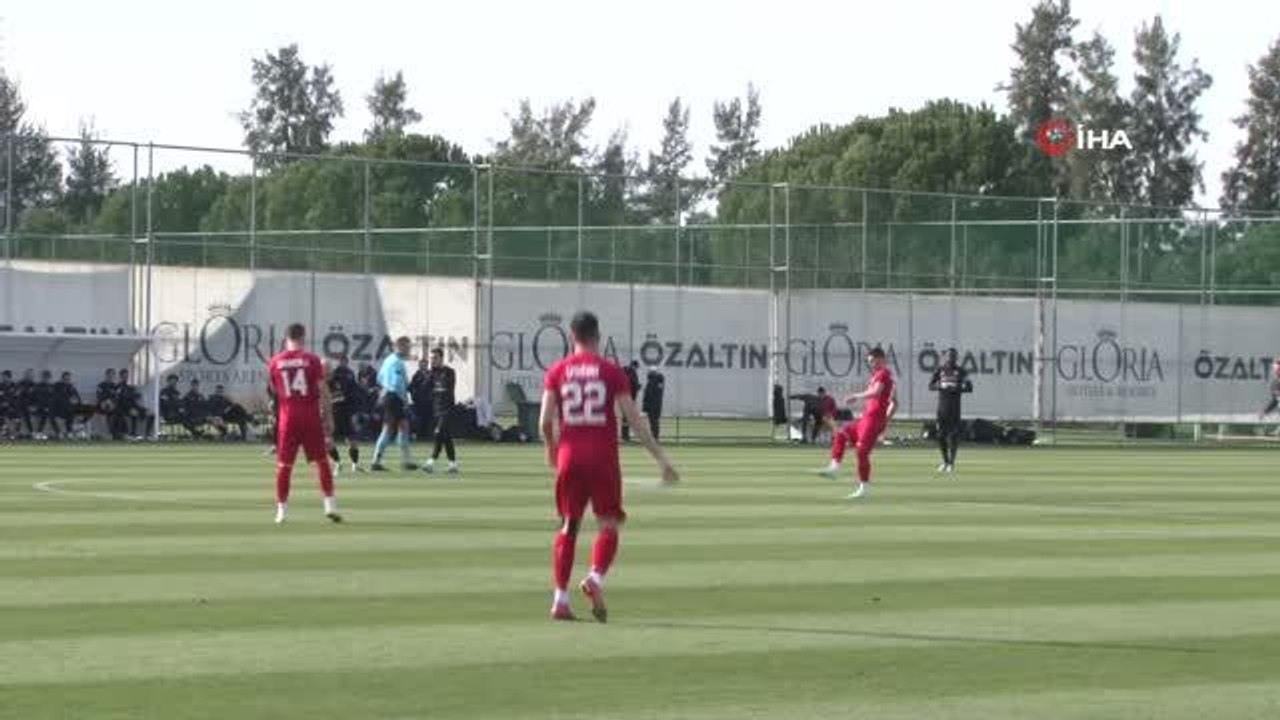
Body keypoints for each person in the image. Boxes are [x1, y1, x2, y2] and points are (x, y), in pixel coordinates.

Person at [540, 311, 679, 623]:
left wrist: (552, 450)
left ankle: (560, 600)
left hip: (570, 458)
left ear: (572, 336)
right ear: (597, 336)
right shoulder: (611, 371)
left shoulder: (557, 371)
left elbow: (544, 421)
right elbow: (635, 420)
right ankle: (595, 578)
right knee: (608, 524)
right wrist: (662, 460)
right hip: (603, 459)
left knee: (568, 526)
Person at [268, 322, 341, 524]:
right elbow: (323, 391)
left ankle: (281, 511)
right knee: (322, 462)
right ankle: (329, 504)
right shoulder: (312, 360)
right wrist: (329, 418)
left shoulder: (275, 361)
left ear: (286, 338)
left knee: (284, 466)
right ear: (303, 337)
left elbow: (275, 392)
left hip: (287, 419)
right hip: (310, 417)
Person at [817, 347, 897, 499]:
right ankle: (835, 467)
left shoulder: (884, 374)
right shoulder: (880, 376)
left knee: (861, 452)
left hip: (873, 420)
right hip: (867, 418)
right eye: (869, 362)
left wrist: (856, 396)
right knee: (841, 434)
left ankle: (864, 488)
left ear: (881, 359)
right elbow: (891, 400)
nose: (871, 364)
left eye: (873, 361)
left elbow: (876, 393)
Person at [370, 337, 417, 471]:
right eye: (408, 347)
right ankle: (376, 461)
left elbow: (379, 378)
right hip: (394, 397)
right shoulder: (397, 362)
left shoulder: (388, 360)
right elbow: (397, 384)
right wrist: (404, 399)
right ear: (400, 347)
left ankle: (406, 461)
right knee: (389, 429)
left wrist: (384, 390)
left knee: (403, 426)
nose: (409, 350)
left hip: (389, 396)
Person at [929, 348, 973, 474]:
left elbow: (970, 388)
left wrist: (957, 388)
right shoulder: (940, 370)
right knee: (940, 436)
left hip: (955, 408)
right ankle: (945, 461)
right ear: (945, 357)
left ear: (956, 357)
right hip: (942, 408)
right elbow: (930, 385)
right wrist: (940, 386)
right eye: (949, 356)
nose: (951, 358)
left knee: (953, 435)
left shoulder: (962, 371)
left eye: (953, 356)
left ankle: (952, 463)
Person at [326, 355, 363, 475]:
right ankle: (338, 463)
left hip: (346, 412)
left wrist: (355, 410)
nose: (344, 364)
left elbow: (354, 392)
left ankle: (355, 465)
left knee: (352, 439)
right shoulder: (331, 376)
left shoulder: (350, 374)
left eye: (345, 362)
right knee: (328, 440)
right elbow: (329, 394)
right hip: (334, 412)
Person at [423, 347, 458, 475]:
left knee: (438, 433)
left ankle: (431, 461)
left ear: (441, 358)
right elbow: (425, 388)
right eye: (431, 358)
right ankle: (453, 464)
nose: (433, 360)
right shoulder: (433, 373)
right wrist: (430, 374)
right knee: (446, 437)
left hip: (447, 409)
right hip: (436, 409)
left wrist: (435, 390)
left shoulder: (449, 372)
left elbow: (446, 389)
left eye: (435, 358)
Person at [51, 371, 91, 438]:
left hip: (69, 409)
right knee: (51, 414)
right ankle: (59, 433)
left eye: (69, 379)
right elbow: (56, 397)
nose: (67, 380)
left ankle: (72, 432)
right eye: (66, 379)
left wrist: (77, 402)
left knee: (85, 411)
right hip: (58, 409)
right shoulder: (57, 386)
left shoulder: (71, 387)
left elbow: (77, 398)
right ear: (62, 379)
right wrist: (68, 400)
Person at [116, 369, 154, 439]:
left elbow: (135, 396)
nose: (126, 377)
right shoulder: (119, 386)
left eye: (127, 375)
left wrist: (136, 395)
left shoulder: (131, 386)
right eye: (124, 376)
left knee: (151, 414)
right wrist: (132, 396)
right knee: (134, 413)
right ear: (121, 376)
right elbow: (121, 398)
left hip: (134, 405)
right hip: (124, 407)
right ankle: (133, 434)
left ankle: (147, 434)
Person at [409, 358, 434, 441]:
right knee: (419, 419)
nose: (423, 366)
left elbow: (434, 386)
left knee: (429, 419)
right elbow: (411, 387)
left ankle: (429, 436)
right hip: (419, 402)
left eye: (425, 364)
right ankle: (420, 436)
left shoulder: (431, 374)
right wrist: (415, 396)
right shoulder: (416, 375)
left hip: (429, 401)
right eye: (421, 365)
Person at [641, 367, 665, 441]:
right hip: (657, 406)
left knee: (653, 422)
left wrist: (645, 408)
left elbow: (648, 395)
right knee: (654, 422)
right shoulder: (659, 381)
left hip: (652, 406)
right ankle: (655, 437)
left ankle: (654, 438)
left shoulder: (652, 382)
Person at [96, 369, 122, 439]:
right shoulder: (101, 385)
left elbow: (117, 396)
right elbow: (98, 396)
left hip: (113, 406)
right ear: (106, 375)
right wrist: (104, 401)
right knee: (103, 413)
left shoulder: (116, 386)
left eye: (113, 374)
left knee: (116, 413)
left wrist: (112, 402)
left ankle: (113, 433)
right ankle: (104, 434)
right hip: (102, 405)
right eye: (110, 374)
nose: (111, 376)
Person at [31, 370, 54, 439]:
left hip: (47, 407)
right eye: (44, 377)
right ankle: (35, 433)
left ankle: (42, 433)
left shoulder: (51, 387)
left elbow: (53, 397)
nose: (46, 379)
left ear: (49, 378)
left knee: (46, 420)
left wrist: (49, 406)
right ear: (42, 377)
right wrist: (33, 405)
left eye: (47, 377)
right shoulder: (37, 386)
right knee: (36, 420)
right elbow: (33, 396)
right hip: (38, 406)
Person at [621, 360, 641, 441]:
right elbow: (634, 384)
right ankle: (626, 435)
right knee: (628, 417)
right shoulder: (632, 373)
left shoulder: (624, 371)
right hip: (630, 398)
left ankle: (624, 434)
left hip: (623, 397)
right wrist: (638, 386)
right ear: (635, 366)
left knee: (625, 417)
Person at [1259, 357, 1280, 422]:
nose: (1276, 371)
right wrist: (1265, 412)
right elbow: (1275, 401)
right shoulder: (1275, 383)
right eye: (1276, 369)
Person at [0, 370, 14, 438]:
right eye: (2, 376)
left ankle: (11, 434)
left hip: (11, 407)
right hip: (1, 407)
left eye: (4, 376)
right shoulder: (0, 386)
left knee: (8, 420)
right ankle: (3, 434)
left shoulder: (13, 386)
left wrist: (9, 403)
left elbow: (15, 397)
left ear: (9, 377)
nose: (2, 378)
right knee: (3, 420)